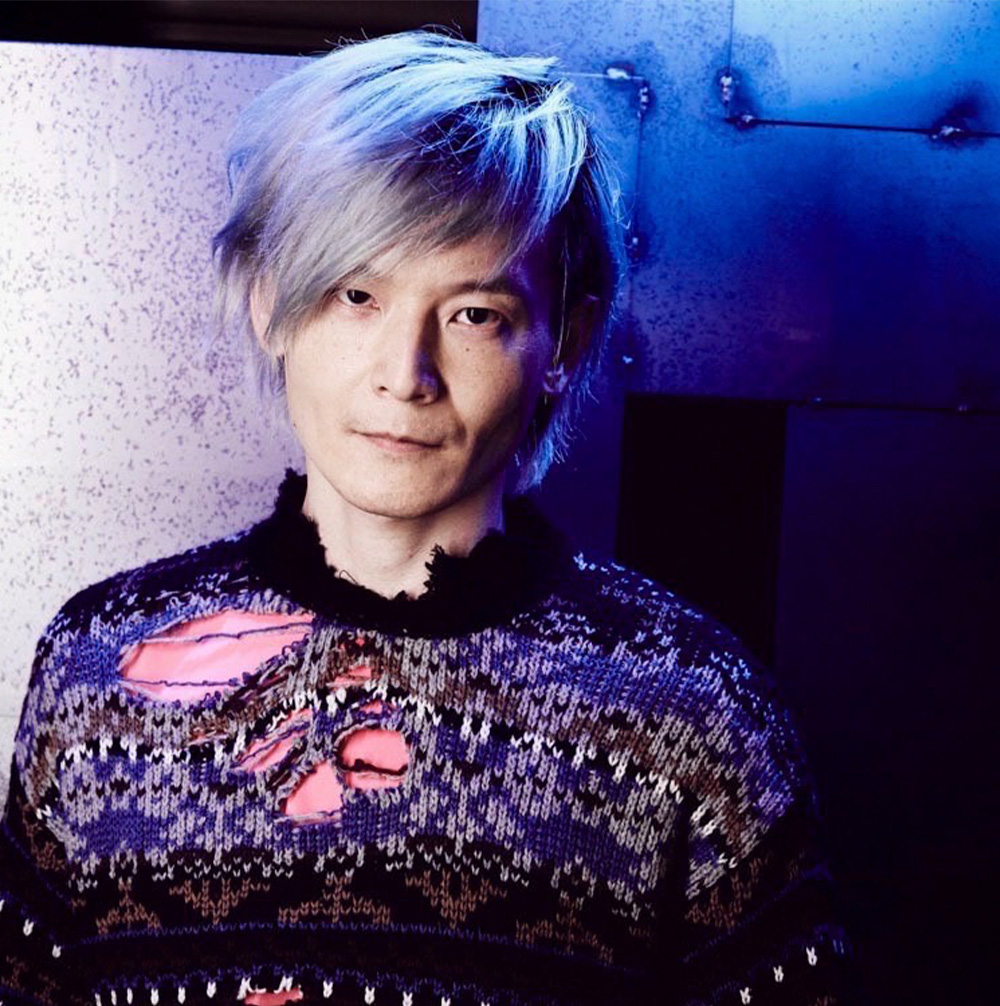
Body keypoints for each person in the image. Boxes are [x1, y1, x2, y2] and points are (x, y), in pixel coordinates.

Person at [0, 29, 852, 1006]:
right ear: (273, 300)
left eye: (474, 314)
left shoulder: (694, 711)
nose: (405, 375)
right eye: (356, 294)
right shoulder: (97, 664)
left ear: (565, 340)